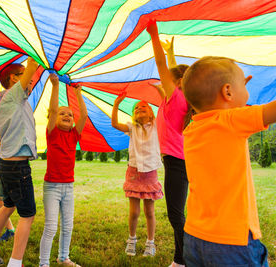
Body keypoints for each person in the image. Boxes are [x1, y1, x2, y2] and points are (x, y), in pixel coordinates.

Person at [181, 56, 271, 267]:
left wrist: (238, 90)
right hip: (231, 243)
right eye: (244, 85)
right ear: (228, 92)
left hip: (194, 236)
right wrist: (238, 98)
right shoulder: (232, 120)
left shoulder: (191, 131)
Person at [0, 57, 39, 267]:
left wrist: (2, 150)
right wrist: (33, 54)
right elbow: (33, 67)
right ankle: (15, 262)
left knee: (8, 206)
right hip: (18, 168)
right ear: (14, 79)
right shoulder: (14, 95)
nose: (31, 83)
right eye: (26, 79)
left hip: (6, 166)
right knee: (28, 215)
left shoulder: (6, 103)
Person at [146, 20, 190, 267]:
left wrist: (154, 35)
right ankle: (182, 257)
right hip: (178, 160)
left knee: (175, 213)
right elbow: (173, 69)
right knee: (178, 212)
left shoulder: (178, 96)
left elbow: (162, 65)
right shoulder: (174, 97)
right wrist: (172, 53)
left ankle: (182, 259)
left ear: (177, 82)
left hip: (176, 162)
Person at [38, 74, 87, 267]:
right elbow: (51, 110)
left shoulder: (74, 135)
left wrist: (78, 94)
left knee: (68, 226)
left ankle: (63, 257)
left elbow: (83, 115)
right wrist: (56, 85)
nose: (67, 116)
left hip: (69, 187)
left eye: (69, 115)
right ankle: (44, 263)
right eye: (62, 113)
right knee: (51, 227)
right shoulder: (52, 134)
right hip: (52, 187)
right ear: (54, 118)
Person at [112, 93, 163, 257]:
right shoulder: (132, 128)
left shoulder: (157, 126)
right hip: (134, 172)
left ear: (151, 114)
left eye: (144, 107)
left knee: (149, 211)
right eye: (136, 108)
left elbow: (166, 109)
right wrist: (116, 104)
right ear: (134, 115)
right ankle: (132, 240)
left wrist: (162, 93)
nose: (140, 108)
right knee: (134, 212)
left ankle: (150, 242)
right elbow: (114, 124)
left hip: (150, 174)